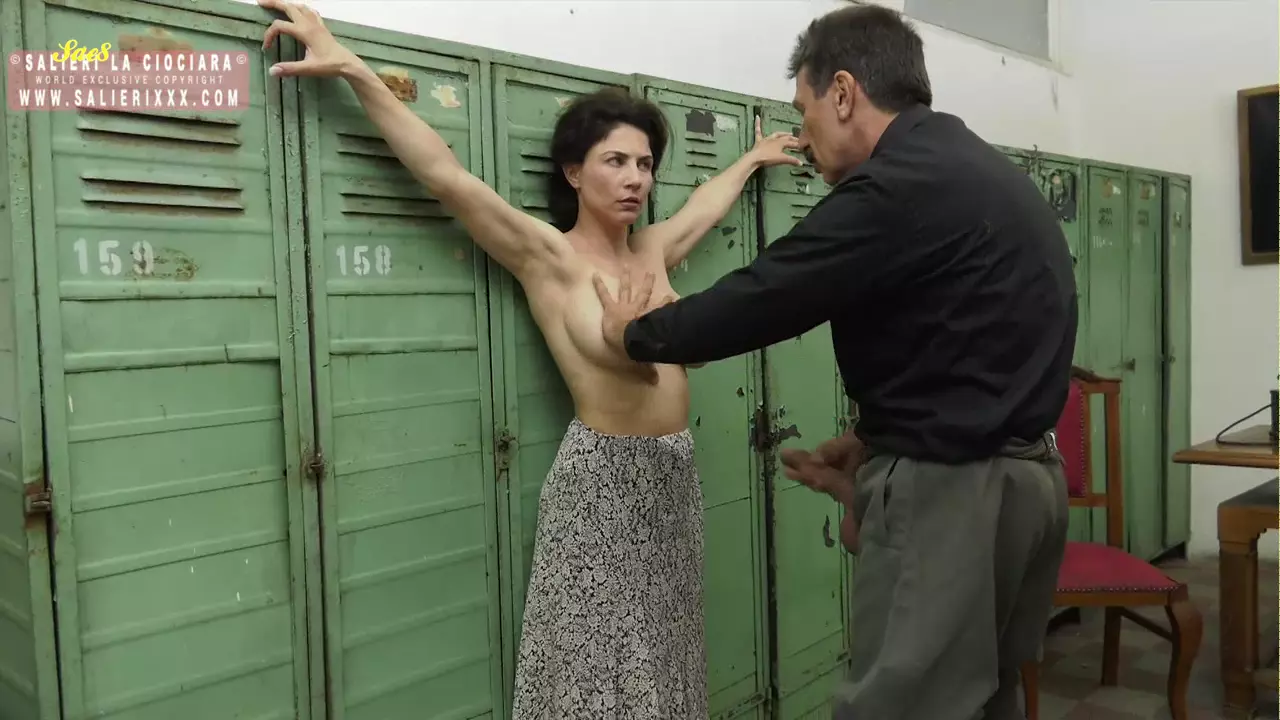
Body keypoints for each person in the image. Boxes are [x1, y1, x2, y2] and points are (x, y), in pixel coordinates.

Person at [256, 1, 805, 717]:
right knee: (593, 675)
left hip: (672, 474)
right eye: (615, 161)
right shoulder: (550, 258)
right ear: (574, 172)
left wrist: (753, 159)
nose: (635, 179)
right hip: (601, 484)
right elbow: (447, 177)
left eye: (645, 164)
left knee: (664, 660)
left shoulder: (652, 250)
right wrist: (354, 69)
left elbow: (706, 205)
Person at [594, 5, 1077, 720]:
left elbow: (770, 294)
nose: (802, 134)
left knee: (898, 709)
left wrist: (634, 334)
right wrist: (879, 434)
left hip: (958, 495)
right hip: (1027, 481)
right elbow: (971, 334)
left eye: (804, 110)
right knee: (982, 699)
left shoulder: (896, 185)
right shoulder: (971, 164)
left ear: (844, 93)